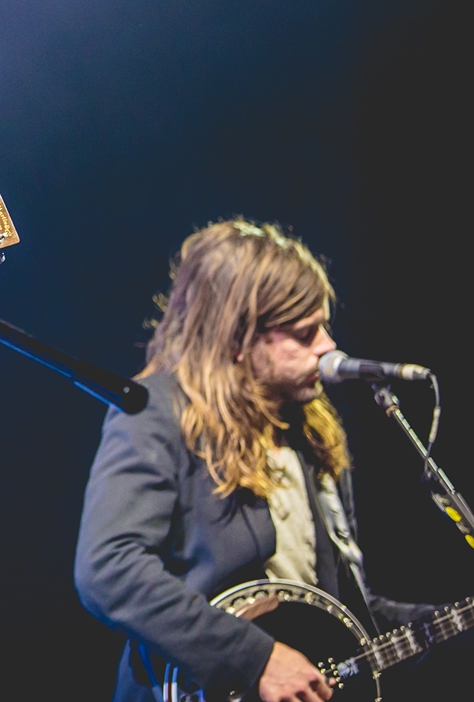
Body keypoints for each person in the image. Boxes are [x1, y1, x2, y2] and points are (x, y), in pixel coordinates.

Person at [74, 220, 438, 702]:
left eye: (323, 327)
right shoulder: (155, 412)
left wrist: (441, 624)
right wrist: (254, 658)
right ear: (239, 337)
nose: (328, 346)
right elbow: (108, 567)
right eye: (305, 333)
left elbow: (339, 604)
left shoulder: (308, 431)